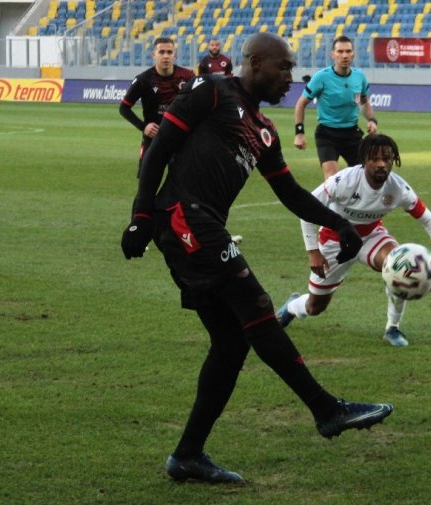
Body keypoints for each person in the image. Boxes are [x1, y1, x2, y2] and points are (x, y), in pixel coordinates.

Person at [120, 32, 393, 484]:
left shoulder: (264, 131)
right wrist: (141, 214)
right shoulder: (212, 91)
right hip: (185, 217)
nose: (289, 78)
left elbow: (289, 192)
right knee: (257, 306)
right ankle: (326, 410)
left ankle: (187, 455)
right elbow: (161, 146)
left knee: (231, 344)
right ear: (255, 63)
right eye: (283, 68)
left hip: (205, 225)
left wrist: (340, 223)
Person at [276, 134, 431, 347]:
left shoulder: (398, 188)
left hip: (371, 236)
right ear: (364, 159)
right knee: (315, 307)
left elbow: (427, 219)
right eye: (375, 159)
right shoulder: (343, 181)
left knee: (399, 265)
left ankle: (392, 327)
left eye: (387, 159)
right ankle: (292, 306)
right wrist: (313, 251)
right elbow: (306, 208)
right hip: (335, 241)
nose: (381, 164)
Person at [293, 35, 378, 179]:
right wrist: (299, 133)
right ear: (333, 54)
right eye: (340, 51)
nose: (344, 55)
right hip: (327, 134)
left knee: (365, 176)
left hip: (352, 134)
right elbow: (301, 104)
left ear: (353, 54)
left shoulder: (360, 77)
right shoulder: (321, 77)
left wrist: (372, 120)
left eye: (348, 51)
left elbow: (364, 102)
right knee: (333, 179)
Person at [119, 37, 195, 176]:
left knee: (179, 184)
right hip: (154, 138)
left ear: (175, 54)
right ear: (154, 55)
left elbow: (197, 106)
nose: (165, 56)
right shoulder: (143, 80)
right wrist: (143, 127)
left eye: (169, 52)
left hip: (179, 139)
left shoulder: (188, 76)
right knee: (146, 187)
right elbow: (124, 108)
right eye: (161, 52)